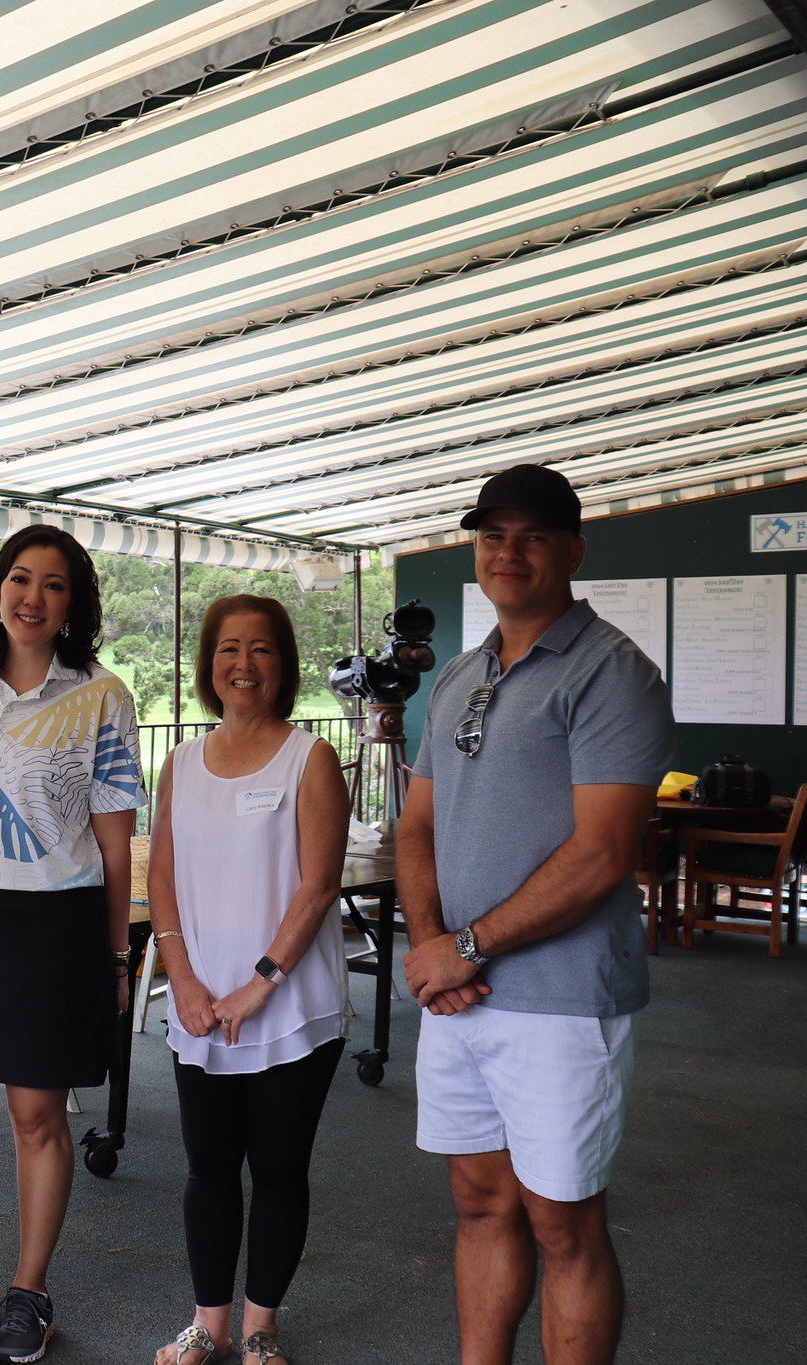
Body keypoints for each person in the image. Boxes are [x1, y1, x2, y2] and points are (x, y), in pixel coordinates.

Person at [399, 463, 672, 1365]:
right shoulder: (460, 676)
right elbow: (417, 825)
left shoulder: (613, 672)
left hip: (560, 1000)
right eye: (492, 536)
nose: (507, 553)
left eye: (532, 536)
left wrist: (465, 945)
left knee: (563, 1224)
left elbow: (600, 854)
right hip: (461, 1000)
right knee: (479, 1203)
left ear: (573, 552)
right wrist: (433, 946)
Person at [147, 595, 351, 1365]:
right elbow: (162, 875)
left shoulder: (310, 757)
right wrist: (187, 981)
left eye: (261, 649)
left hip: (290, 1007)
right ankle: (210, 1324)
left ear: (284, 664)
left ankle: (261, 1328)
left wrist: (259, 983)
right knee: (206, 1166)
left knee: (276, 1169)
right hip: (200, 1009)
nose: (243, 663)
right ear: (209, 665)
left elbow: (319, 885)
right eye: (229, 648)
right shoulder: (181, 763)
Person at [0, 523, 146, 1365]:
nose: (32, 597)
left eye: (53, 584)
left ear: (73, 602)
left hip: (52, 922)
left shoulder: (103, 695)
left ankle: (29, 1289)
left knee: (34, 1114)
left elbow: (117, 846)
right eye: (19, 577)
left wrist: (117, 956)